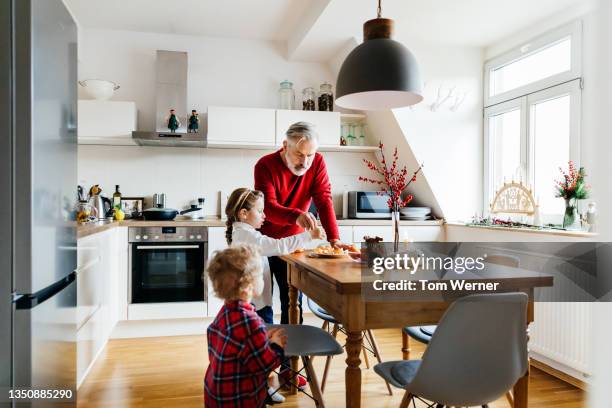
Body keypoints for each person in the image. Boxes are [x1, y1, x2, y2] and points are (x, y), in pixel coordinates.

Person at [254, 122, 341, 325]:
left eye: (310, 155)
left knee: (292, 300)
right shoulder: (265, 165)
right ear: (285, 146)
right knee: (261, 301)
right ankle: (263, 351)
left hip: (293, 243)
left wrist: (334, 238)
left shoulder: (317, 162)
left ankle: (290, 352)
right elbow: (268, 207)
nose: (305, 162)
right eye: (300, 155)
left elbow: (324, 199)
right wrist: (296, 215)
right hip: (264, 242)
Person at [204, 245, 287, 408]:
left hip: (215, 394)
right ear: (249, 286)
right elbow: (265, 365)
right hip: (240, 398)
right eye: (261, 277)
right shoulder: (250, 322)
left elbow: (240, 350)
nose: (263, 279)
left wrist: (263, 341)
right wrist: (276, 346)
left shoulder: (224, 313)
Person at [225, 188, 323, 324]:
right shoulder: (247, 236)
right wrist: (309, 236)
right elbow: (278, 246)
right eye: (260, 211)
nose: (264, 215)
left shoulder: (243, 233)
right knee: (262, 338)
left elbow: (271, 247)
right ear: (244, 214)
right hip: (255, 305)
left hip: (255, 301)